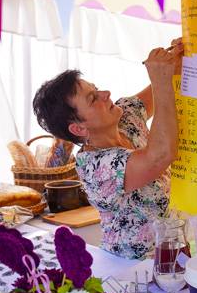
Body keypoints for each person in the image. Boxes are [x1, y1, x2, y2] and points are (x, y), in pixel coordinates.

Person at [33, 40, 183, 259]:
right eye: (93, 98)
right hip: (130, 267)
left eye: (96, 89)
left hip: (168, 253)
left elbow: (164, 79)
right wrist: (161, 80)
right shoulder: (95, 166)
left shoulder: (125, 117)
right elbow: (161, 155)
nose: (106, 93)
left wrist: (175, 58)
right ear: (78, 127)